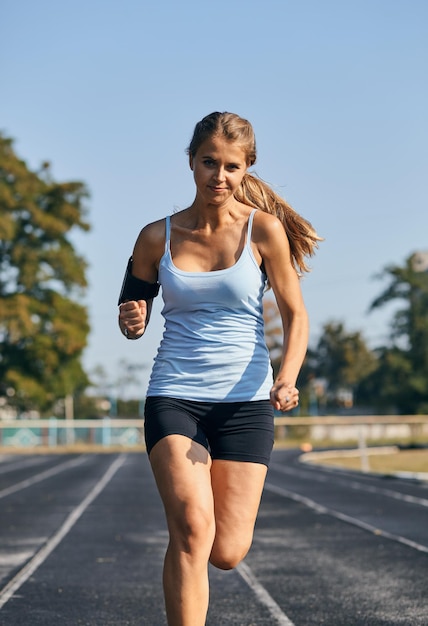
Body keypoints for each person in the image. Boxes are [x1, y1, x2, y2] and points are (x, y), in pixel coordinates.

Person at [118, 111, 321, 626]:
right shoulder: (154, 237)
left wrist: (287, 377)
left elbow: (297, 316)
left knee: (226, 550)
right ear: (191, 162)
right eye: (209, 162)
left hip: (247, 403)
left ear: (246, 168)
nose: (219, 176)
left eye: (231, 166)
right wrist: (132, 319)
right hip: (175, 396)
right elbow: (131, 313)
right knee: (190, 528)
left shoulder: (264, 231)